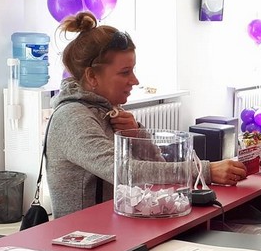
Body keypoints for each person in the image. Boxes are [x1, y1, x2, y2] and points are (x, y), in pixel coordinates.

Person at [46, 11, 247, 218]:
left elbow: (158, 167)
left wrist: (137, 135)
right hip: (85, 231)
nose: (135, 80)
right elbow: (124, 171)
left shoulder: (109, 109)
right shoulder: (72, 117)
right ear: (92, 76)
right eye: (125, 72)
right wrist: (206, 171)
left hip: (118, 224)